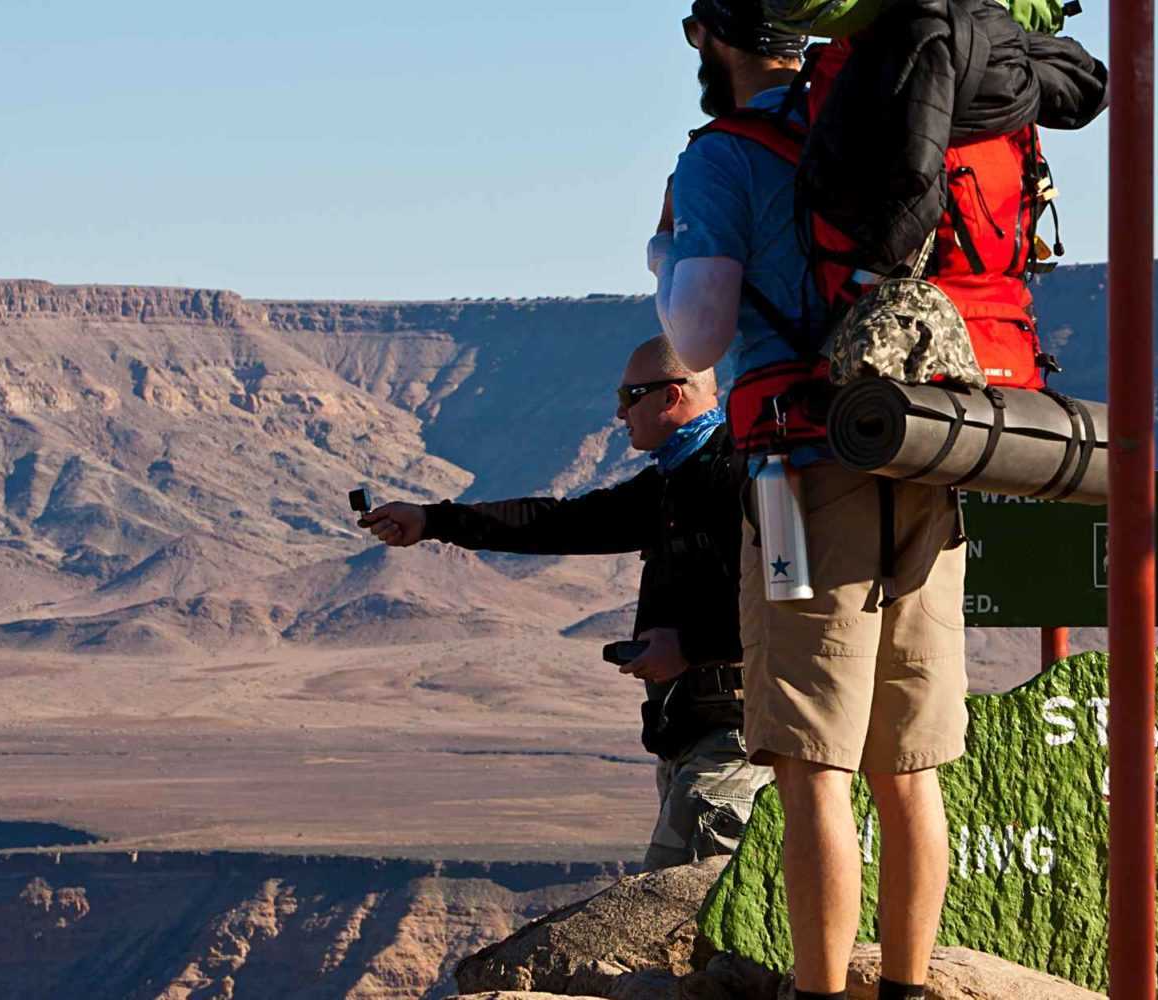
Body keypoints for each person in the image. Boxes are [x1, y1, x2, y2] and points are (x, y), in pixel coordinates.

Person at [650, 4, 971, 1000]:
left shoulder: (723, 155)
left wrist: (664, 256)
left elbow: (696, 340)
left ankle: (820, 991)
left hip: (800, 474)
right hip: (926, 446)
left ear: (710, 37)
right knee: (907, 765)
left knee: (809, 758)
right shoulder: (891, 125)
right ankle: (908, 988)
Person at [357, 336, 773, 870]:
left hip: (735, 736)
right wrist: (433, 520)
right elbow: (558, 521)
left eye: (630, 395)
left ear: (670, 397)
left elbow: (788, 601)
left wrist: (690, 647)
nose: (619, 411)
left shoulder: (736, 476)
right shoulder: (672, 481)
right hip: (689, 733)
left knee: (674, 906)